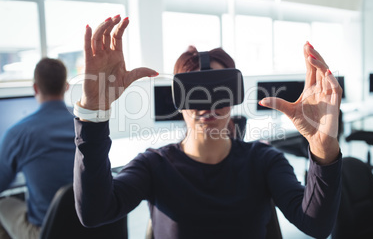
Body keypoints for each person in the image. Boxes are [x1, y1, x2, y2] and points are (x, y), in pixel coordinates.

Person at [73, 16, 343, 238]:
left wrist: (323, 150)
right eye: (194, 93)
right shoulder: (154, 166)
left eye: (219, 91)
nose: (208, 105)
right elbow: (95, 213)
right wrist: (93, 114)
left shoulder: (264, 161)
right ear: (178, 100)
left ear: (234, 95)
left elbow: (316, 226)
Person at [0, 58, 76, 239]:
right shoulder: (86, 122)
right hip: (93, 227)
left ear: (35, 88)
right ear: (66, 87)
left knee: (4, 204)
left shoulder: (19, 132)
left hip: (48, 232)